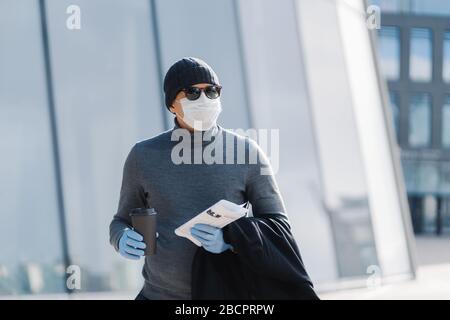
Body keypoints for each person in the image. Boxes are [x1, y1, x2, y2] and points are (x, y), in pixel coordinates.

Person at [109, 57, 316, 300]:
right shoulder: (143, 156)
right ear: (172, 105)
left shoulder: (247, 153)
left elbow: (278, 226)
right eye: (192, 93)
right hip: (157, 296)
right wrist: (121, 238)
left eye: (212, 91)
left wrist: (231, 238)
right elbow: (121, 220)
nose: (204, 99)